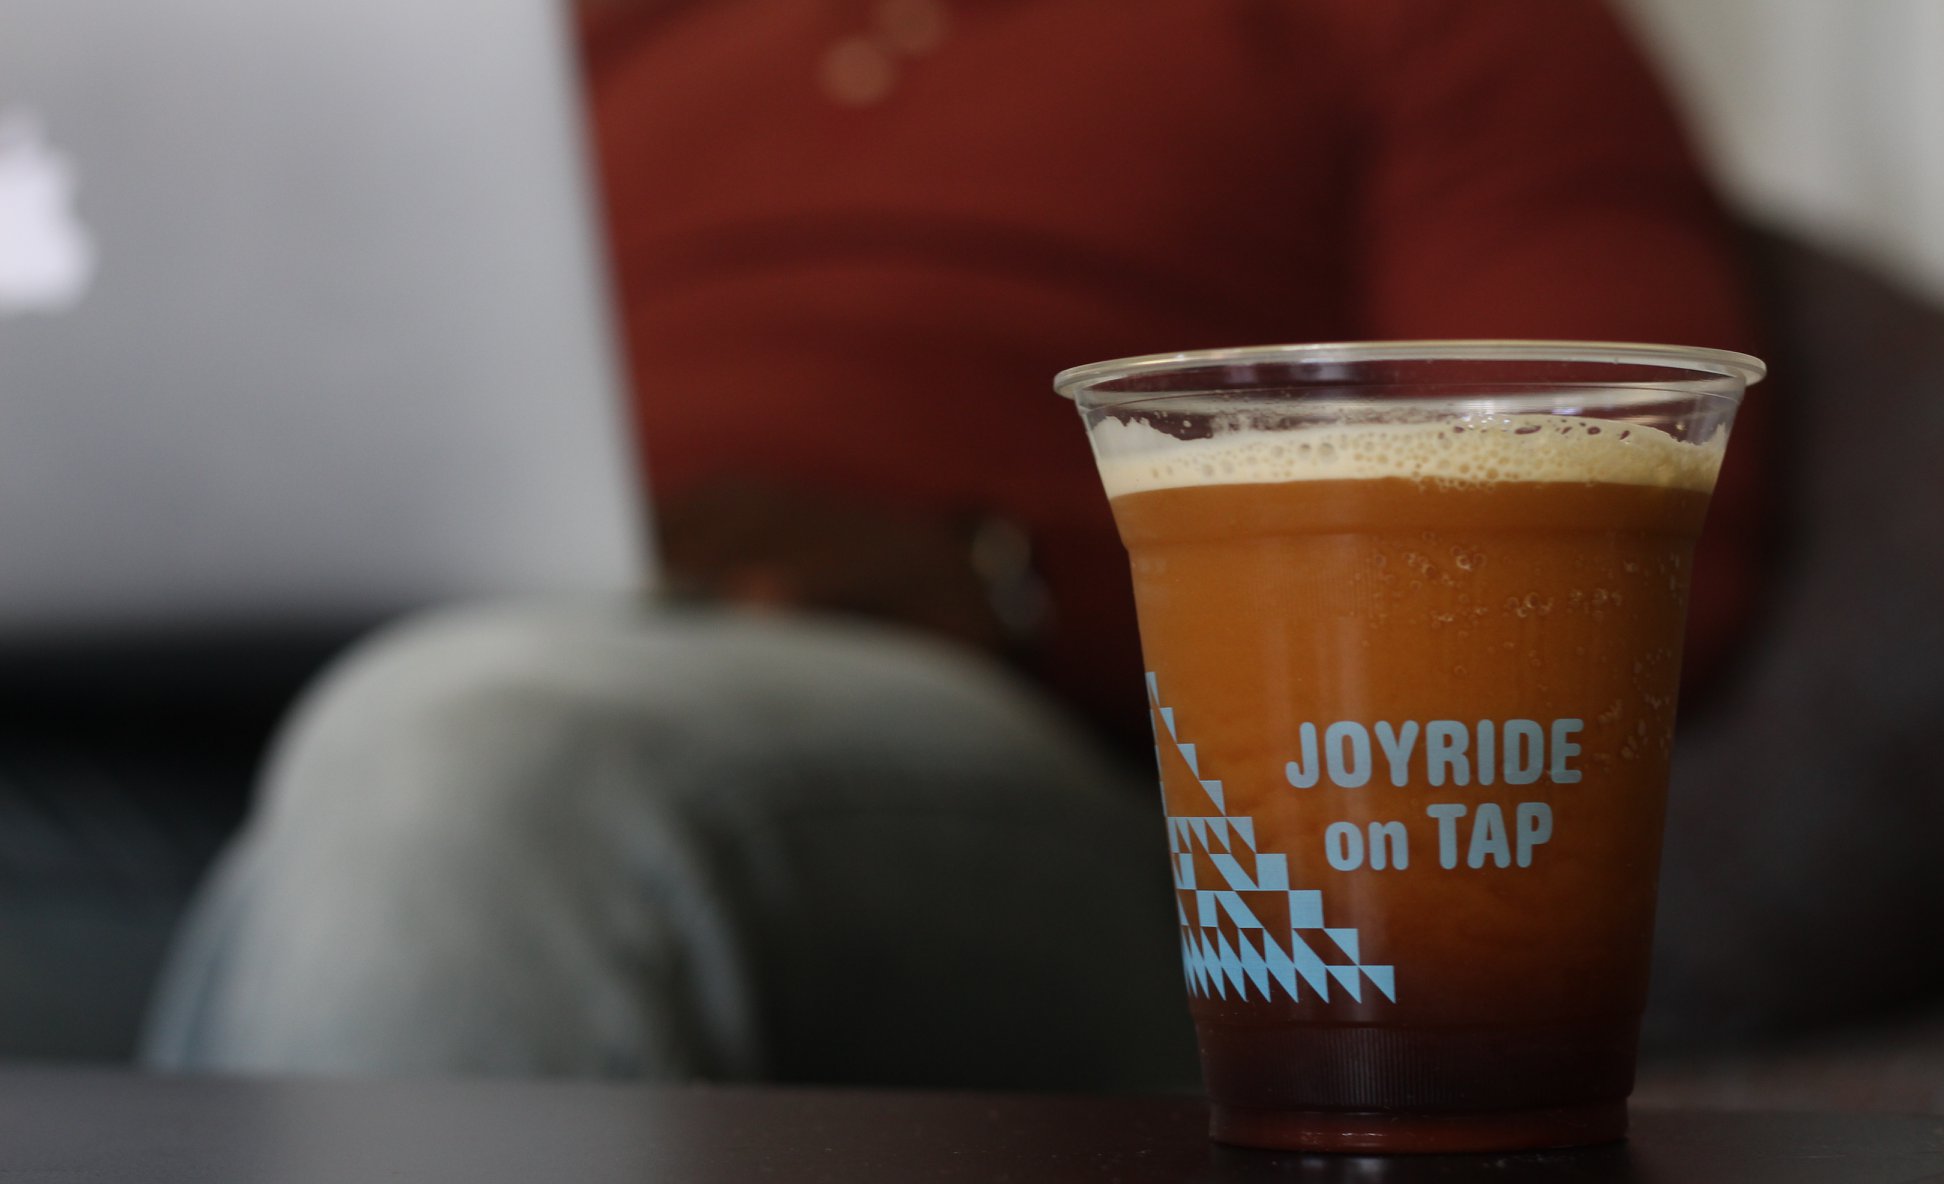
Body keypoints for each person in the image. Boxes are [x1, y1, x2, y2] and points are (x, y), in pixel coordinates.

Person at [141, 0, 1777, 1085]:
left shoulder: (1434, 20)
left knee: (475, 762)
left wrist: (999, 576)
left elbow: (1623, 509)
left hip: (1035, 756)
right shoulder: (584, 40)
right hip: (409, 655)